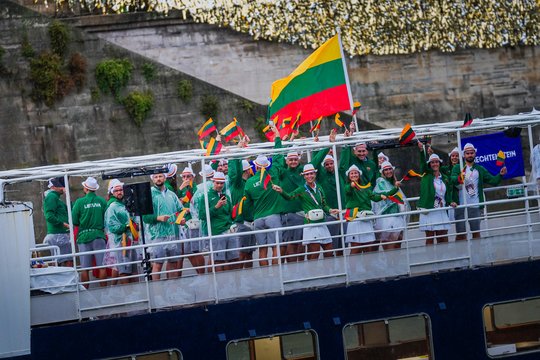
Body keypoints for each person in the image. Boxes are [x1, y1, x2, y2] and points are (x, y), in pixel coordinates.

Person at [272, 164, 339, 260]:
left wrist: (330, 210)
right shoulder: (302, 189)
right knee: (314, 252)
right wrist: (281, 191)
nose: (309, 176)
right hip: (310, 224)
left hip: (321, 223)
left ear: (315, 174)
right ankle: (312, 273)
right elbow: (290, 197)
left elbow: (324, 204)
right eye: (307, 174)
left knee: (329, 251)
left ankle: (328, 273)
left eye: (311, 174)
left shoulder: (319, 188)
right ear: (304, 176)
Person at [451, 143, 507, 240]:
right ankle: (462, 254)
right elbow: (452, 179)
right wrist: (460, 177)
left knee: (476, 233)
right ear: (464, 155)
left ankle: (477, 254)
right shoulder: (457, 167)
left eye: (471, 153)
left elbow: (493, 181)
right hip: (460, 206)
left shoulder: (480, 169)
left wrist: (500, 174)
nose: (470, 155)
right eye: (467, 153)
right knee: (461, 235)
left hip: (475, 206)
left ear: (475, 154)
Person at [344, 165, 398, 254]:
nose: (354, 175)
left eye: (356, 173)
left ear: (359, 174)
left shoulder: (366, 188)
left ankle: (367, 268)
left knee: (368, 247)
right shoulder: (347, 186)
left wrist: (395, 189)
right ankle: (352, 268)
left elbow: (375, 197)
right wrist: (351, 185)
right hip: (354, 218)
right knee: (355, 248)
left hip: (366, 219)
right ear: (349, 176)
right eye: (352, 173)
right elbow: (348, 189)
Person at [143, 173, 184, 280]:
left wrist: (181, 219)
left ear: (165, 178)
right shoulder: (149, 194)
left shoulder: (172, 194)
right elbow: (145, 218)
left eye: (160, 176)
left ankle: (173, 291)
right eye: (156, 177)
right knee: (158, 264)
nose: (158, 179)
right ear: (152, 179)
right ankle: (158, 294)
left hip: (172, 233)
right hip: (157, 235)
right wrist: (158, 218)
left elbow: (180, 210)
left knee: (173, 262)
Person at [243, 155, 283, 266]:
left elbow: (247, 203)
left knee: (262, 250)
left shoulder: (249, 182)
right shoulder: (273, 175)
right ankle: (276, 276)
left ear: (255, 166)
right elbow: (278, 160)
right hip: (273, 216)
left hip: (258, 219)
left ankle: (265, 278)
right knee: (276, 248)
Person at [198, 172, 238, 271]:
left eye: (221, 183)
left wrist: (233, 222)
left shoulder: (226, 197)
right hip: (216, 231)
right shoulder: (205, 196)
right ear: (213, 182)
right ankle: (218, 284)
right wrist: (216, 207)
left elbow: (229, 214)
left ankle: (232, 284)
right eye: (217, 183)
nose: (219, 185)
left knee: (234, 259)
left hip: (229, 230)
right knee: (218, 261)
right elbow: (202, 216)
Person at [417, 145, 456, 245]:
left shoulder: (445, 178)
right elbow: (422, 164)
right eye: (432, 162)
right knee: (430, 238)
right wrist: (422, 151)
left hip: (441, 210)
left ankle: (444, 259)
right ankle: (431, 260)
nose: (435, 164)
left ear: (440, 163)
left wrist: (450, 201)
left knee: (443, 238)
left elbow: (447, 193)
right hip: (429, 210)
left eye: (436, 161)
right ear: (429, 164)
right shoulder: (426, 175)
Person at [72, 177, 108, 287]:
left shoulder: (79, 202)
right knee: (102, 266)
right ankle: (104, 294)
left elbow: (74, 221)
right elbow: (106, 219)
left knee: (84, 269)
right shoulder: (102, 201)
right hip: (98, 235)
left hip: (83, 237)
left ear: (85, 188)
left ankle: (85, 296)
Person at [103, 179, 138, 284]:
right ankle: (127, 296)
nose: (119, 192)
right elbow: (113, 227)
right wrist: (127, 226)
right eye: (116, 191)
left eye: (120, 190)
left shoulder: (127, 204)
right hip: (121, 243)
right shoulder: (112, 207)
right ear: (112, 193)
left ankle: (137, 294)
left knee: (134, 270)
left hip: (132, 241)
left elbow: (136, 219)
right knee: (123, 271)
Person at [229, 139, 256, 268]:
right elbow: (237, 170)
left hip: (249, 222)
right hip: (241, 222)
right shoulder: (238, 184)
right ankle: (239, 280)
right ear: (247, 170)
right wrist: (238, 151)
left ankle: (249, 279)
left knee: (249, 252)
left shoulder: (247, 183)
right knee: (242, 253)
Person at [372, 161, 406, 250]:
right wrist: (396, 188)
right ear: (382, 172)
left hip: (397, 216)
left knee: (398, 243)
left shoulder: (393, 182)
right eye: (386, 170)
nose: (388, 171)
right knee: (390, 245)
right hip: (386, 217)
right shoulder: (381, 182)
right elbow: (387, 195)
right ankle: (390, 264)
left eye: (390, 169)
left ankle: (395, 263)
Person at [178, 166, 205, 274]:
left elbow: (197, 204)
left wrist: (190, 208)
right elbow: (176, 203)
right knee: (189, 252)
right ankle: (200, 273)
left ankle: (202, 273)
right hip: (185, 223)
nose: (186, 178)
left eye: (188, 176)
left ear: (193, 177)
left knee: (196, 250)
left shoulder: (195, 189)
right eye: (184, 176)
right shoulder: (182, 189)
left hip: (194, 223)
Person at [42, 176, 73, 267]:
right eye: (61, 186)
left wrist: (68, 197)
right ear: (53, 187)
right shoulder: (52, 196)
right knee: (68, 261)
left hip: (58, 234)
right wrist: (64, 224)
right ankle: (68, 280)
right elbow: (49, 216)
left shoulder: (55, 197)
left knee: (58, 261)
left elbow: (70, 210)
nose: (63, 188)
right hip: (58, 234)